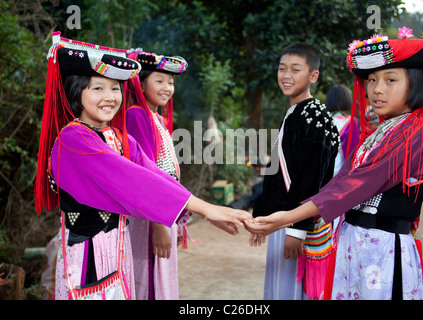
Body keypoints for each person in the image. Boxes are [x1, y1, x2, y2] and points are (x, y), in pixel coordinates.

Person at [34, 32, 251, 300]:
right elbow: (132, 179)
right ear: (77, 92)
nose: (110, 96)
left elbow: (154, 173)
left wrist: (208, 211)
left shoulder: (118, 137)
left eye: (115, 88)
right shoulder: (73, 138)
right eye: (98, 88)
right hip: (87, 253)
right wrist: (205, 207)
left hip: (117, 250)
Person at [245, 27, 423, 300]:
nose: (376, 89)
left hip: (382, 249)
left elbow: (358, 185)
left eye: (390, 80)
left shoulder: (415, 131)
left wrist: (290, 218)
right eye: (372, 80)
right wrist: (295, 215)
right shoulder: (380, 130)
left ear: (418, 83)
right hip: (357, 243)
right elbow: (341, 179)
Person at [250, 42, 340, 300]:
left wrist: (297, 229)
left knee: (292, 291)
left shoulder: (317, 116)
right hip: (283, 218)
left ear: (313, 75)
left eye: (295, 70)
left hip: (298, 223)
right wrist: (262, 218)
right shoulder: (295, 111)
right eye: (282, 69)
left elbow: (312, 176)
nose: (286, 76)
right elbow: (276, 170)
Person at [123, 50, 189, 300]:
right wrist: (159, 224)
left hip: (159, 210)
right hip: (150, 215)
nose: (167, 87)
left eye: (171, 82)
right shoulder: (137, 115)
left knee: (157, 273)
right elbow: (145, 174)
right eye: (159, 81)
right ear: (140, 83)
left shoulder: (155, 117)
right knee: (149, 278)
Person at [325, 84, 359, 235]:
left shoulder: (323, 119)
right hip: (340, 172)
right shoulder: (351, 122)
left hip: (322, 172)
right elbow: (352, 153)